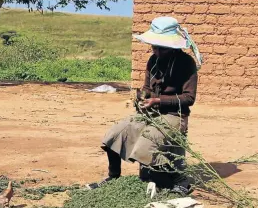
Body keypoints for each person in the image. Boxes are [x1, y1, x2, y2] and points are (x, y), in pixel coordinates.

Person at [87, 17, 203, 195]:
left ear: (172, 46)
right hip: (151, 113)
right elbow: (147, 88)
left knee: (148, 142)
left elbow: (189, 98)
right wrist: (143, 97)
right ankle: (113, 176)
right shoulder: (153, 61)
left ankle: (179, 179)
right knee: (115, 133)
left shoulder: (186, 63)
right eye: (154, 46)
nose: (155, 50)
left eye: (160, 47)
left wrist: (158, 101)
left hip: (174, 115)